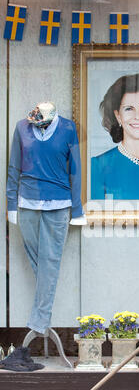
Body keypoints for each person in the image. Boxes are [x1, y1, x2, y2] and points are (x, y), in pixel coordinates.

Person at [6, 101, 86, 335]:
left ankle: (38, 323)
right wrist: (11, 204)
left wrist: (77, 209)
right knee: (41, 262)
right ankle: (41, 323)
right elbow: (13, 167)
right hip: (26, 202)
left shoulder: (68, 128)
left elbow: (75, 169)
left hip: (59, 203)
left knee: (49, 262)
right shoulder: (22, 127)